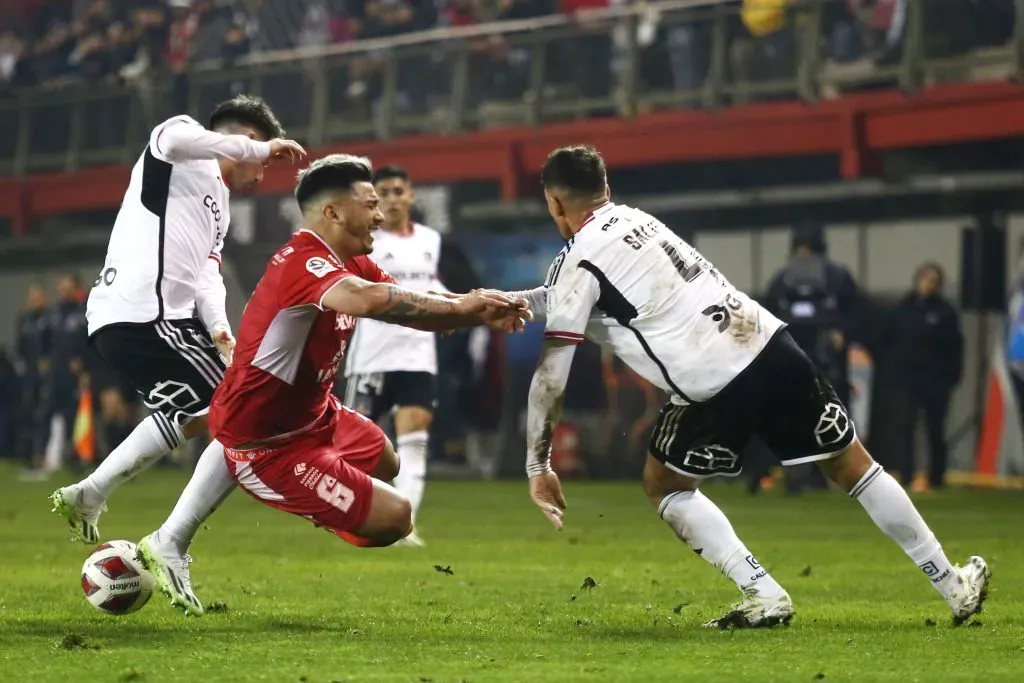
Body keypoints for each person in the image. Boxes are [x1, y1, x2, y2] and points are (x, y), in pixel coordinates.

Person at [519, 145, 989, 628]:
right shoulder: (641, 221)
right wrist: (515, 302)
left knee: (664, 486)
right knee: (854, 465)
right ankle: (952, 584)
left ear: (555, 204)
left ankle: (763, 592)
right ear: (606, 189)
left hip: (712, 381)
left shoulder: (577, 259)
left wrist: (538, 463)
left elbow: (552, 371)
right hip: (766, 341)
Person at [134, 154, 527, 616]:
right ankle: (282, 501)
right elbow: (374, 300)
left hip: (316, 415)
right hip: (269, 443)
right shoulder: (303, 262)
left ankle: (299, 496)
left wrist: (473, 305)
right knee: (396, 519)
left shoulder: (351, 258)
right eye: (370, 204)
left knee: (387, 461)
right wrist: (466, 309)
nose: (380, 215)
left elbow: (411, 301)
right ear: (333, 212)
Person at [50, 94, 307, 544]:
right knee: (244, 409)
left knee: (200, 413)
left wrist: (218, 327)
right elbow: (173, 138)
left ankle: (91, 491)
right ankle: (172, 540)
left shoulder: (221, 206)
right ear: (246, 139)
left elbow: (208, 273)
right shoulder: (180, 144)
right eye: (259, 159)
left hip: (140, 321)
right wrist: (264, 149)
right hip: (145, 315)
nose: (261, 174)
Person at [342, 165, 482, 547]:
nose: (391, 198)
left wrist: (456, 308)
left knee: (415, 439)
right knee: (353, 448)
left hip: (417, 357)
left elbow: (435, 287)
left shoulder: (431, 241)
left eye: (397, 191)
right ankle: (352, 517)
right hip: (371, 358)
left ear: (411, 196)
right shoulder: (363, 242)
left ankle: (406, 525)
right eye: (383, 192)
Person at [891, 263, 963, 491]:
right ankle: (906, 475)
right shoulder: (903, 308)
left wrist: (951, 376)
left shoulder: (945, 311)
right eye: (926, 279)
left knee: (935, 429)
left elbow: (955, 346)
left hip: (936, 381)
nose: (929, 285)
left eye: (934, 281)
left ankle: (937, 477)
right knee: (905, 426)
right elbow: (889, 341)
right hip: (908, 379)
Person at [13, 285, 52, 469]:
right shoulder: (24, 320)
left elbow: (53, 345)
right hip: (28, 375)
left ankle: (41, 455)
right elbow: (19, 346)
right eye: (32, 297)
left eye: (38, 297)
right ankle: (26, 455)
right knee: (27, 413)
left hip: (45, 375)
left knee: (42, 414)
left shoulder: (49, 318)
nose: (34, 301)